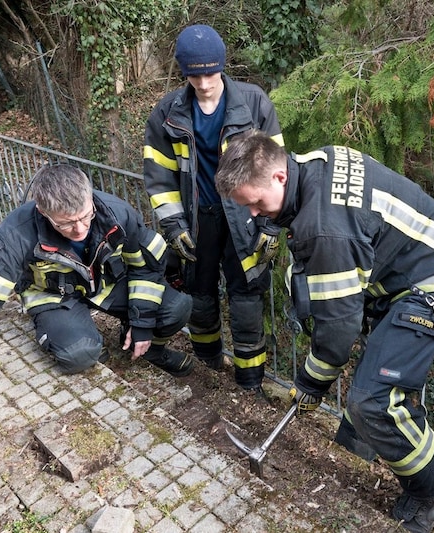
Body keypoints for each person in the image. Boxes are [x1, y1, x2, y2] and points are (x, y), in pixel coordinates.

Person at [214, 130, 434, 533]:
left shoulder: (325, 228)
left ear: (279, 178)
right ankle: (358, 445)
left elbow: (339, 331)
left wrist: (309, 385)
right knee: (373, 377)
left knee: (373, 399)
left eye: (254, 202)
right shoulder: (314, 164)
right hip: (403, 268)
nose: (253, 213)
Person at [0, 163, 193, 429]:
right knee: (79, 355)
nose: (80, 229)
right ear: (43, 211)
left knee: (177, 307)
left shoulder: (116, 211)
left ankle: (149, 349)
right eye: (66, 223)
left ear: (90, 197)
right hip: (53, 294)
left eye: (86, 216)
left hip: (105, 284)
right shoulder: (15, 234)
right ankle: (69, 333)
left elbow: (147, 265)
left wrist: (142, 322)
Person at [142, 24, 285, 396]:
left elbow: (276, 173)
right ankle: (207, 367)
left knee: (247, 297)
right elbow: (159, 177)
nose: (203, 82)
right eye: (194, 74)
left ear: (222, 66)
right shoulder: (166, 113)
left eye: (209, 72)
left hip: (246, 215)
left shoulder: (254, 104)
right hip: (197, 218)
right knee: (200, 295)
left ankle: (250, 382)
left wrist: (271, 225)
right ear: (183, 71)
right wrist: (173, 224)